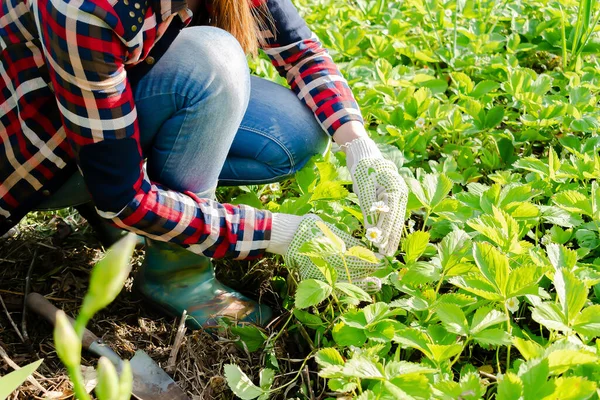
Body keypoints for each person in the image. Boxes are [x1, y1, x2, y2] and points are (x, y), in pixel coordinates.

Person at [0, 0, 408, 328]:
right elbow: (122, 198)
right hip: (38, 159)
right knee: (212, 61)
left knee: (292, 132)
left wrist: (360, 147)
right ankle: (179, 275)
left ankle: (152, 206)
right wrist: (281, 232)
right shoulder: (84, 8)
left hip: (105, 118)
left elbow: (297, 48)